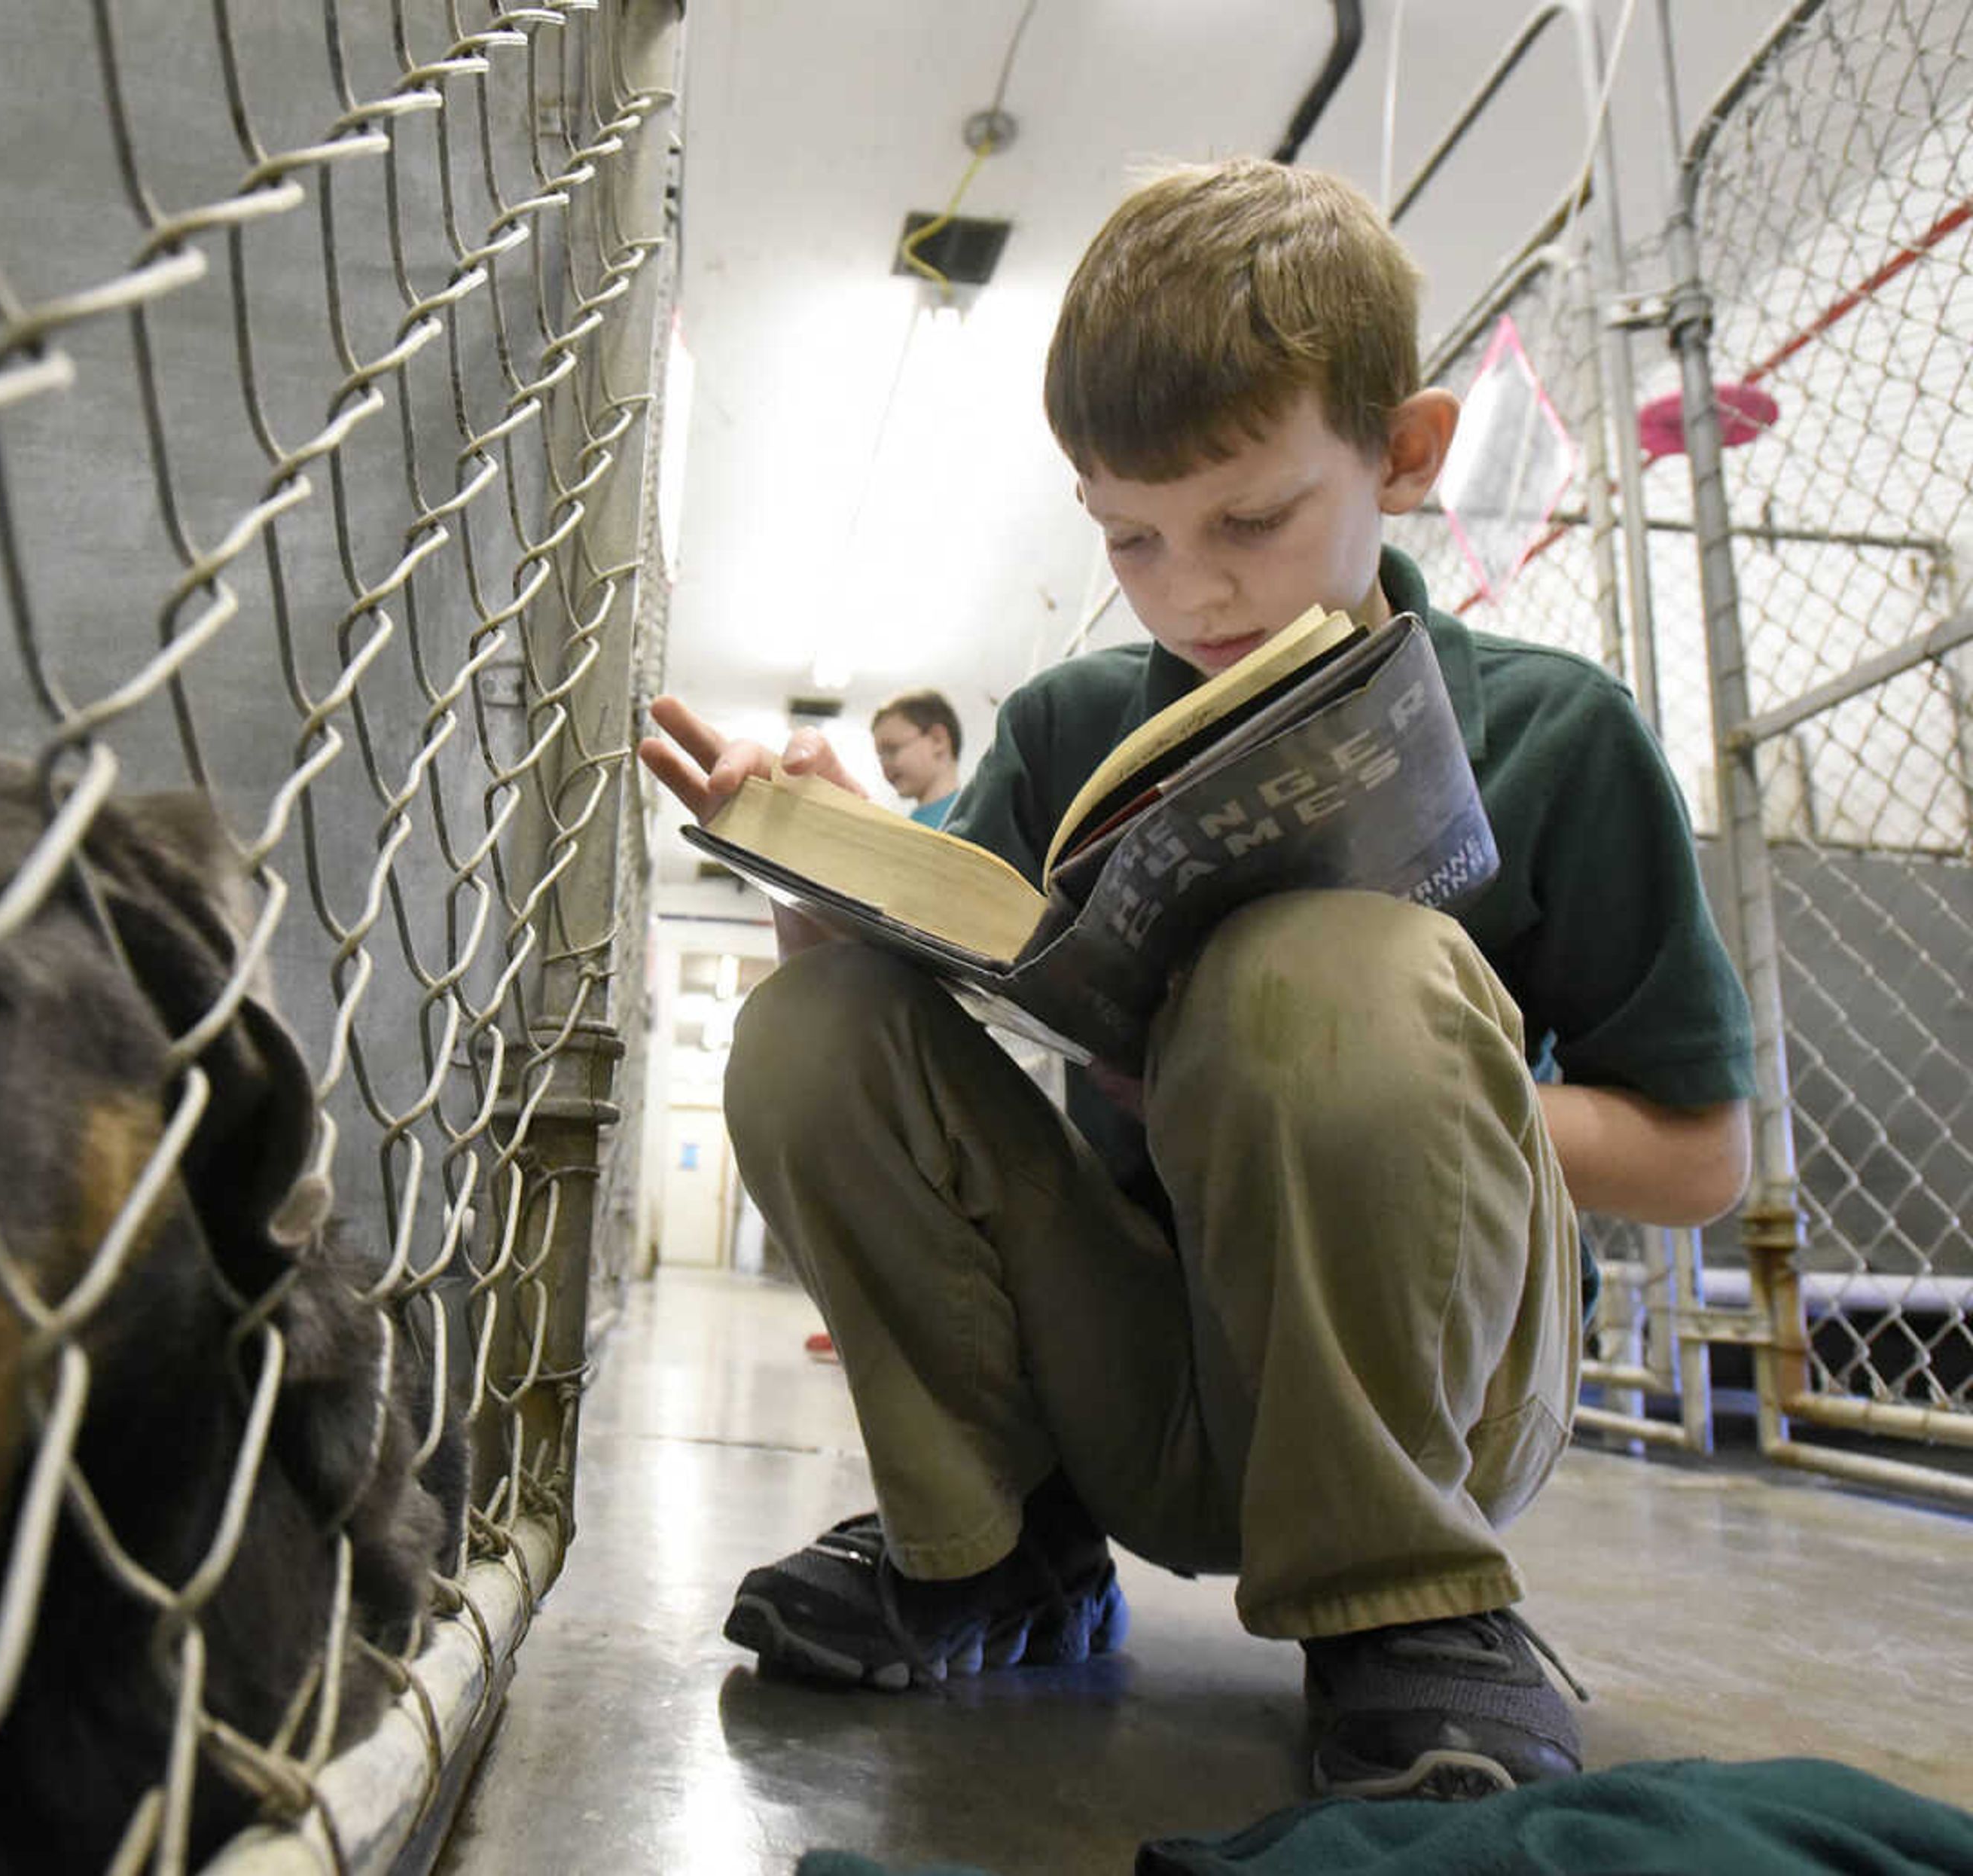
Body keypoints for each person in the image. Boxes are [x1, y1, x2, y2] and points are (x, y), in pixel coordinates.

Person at [636, 159, 1754, 1803]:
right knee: (806, 1027)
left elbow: (1701, 1158)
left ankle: (1406, 1602)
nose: (1196, 589)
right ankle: (997, 1542)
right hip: (1133, 1377)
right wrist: (823, 866)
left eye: (1252, 518)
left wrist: (1412, 1075)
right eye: (1132, 537)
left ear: (1406, 453)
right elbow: (915, 1020)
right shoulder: (1077, 726)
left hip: (1430, 1397)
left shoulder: (1556, 732)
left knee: (1323, 972)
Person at [870, 690, 965, 828]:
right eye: (881, 756)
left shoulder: (974, 822)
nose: (885, 765)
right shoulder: (904, 830)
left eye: (892, 749)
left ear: (937, 740)